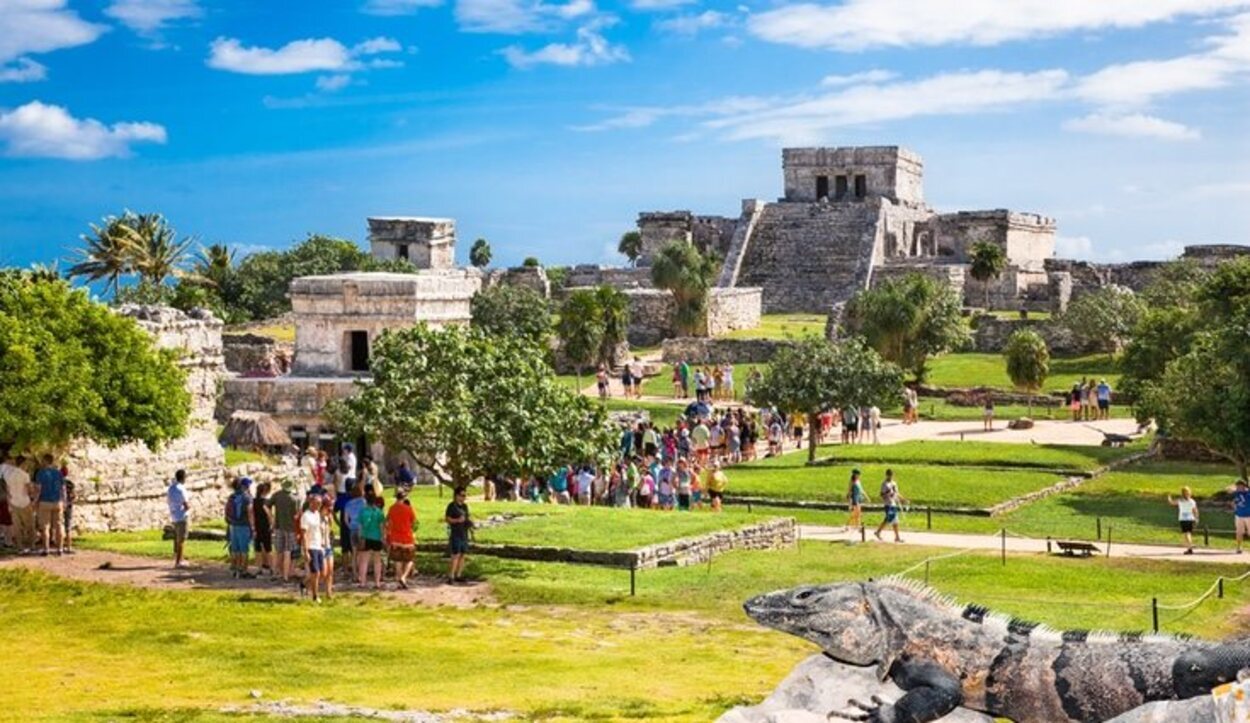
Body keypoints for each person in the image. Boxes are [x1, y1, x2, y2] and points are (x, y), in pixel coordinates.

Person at [386, 488, 417, 588]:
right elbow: (413, 521)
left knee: (398, 560)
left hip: (396, 538)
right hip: (407, 537)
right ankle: (404, 577)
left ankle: (399, 578)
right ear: (405, 497)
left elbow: (389, 521)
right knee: (410, 559)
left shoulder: (392, 508)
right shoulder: (408, 508)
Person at [34, 455, 65, 556]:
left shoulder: (41, 473)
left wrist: (35, 501)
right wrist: (64, 500)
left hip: (45, 501)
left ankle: (46, 549)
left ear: (45, 461)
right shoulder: (58, 473)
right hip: (57, 501)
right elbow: (62, 488)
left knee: (45, 526)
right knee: (59, 525)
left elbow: (38, 489)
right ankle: (60, 549)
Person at [0, 456, 32, 554]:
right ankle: (10, 542)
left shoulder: (7, 471)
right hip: (11, 499)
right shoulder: (10, 470)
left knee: (6, 521)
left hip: (7, 499)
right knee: (11, 522)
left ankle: (10, 542)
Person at [270, 480, 299, 582]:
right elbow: (296, 515)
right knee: (287, 552)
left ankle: (274, 573)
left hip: (278, 526)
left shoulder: (276, 495)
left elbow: (266, 505)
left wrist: (272, 518)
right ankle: (285, 576)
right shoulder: (294, 499)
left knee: (277, 551)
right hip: (290, 528)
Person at [225, 477, 255, 577]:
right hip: (244, 526)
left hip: (233, 525)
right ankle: (244, 571)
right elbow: (250, 512)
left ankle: (236, 569)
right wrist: (253, 527)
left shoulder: (231, 496)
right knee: (244, 550)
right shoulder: (247, 497)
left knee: (235, 549)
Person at [299, 494, 326, 603]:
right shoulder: (306, 516)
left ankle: (304, 583)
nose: (319, 506)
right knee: (316, 573)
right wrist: (305, 551)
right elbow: (304, 534)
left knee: (322, 572)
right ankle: (315, 596)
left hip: (318, 545)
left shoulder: (317, 514)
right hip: (311, 546)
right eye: (317, 503)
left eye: (320, 504)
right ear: (311, 503)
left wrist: (323, 544)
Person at [356, 496, 386, 589]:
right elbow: (381, 526)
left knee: (364, 561)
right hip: (377, 538)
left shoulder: (362, 511)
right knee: (377, 561)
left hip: (366, 537)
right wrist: (382, 537)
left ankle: (363, 582)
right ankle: (377, 582)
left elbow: (360, 527)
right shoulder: (379, 512)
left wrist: (360, 537)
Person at [445, 487, 473, 584]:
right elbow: (447, 519)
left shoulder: (465, 506)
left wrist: (469, 523)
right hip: (455, 533)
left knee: (463, 554)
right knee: (455, 555)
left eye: (464, 495)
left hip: (464, 533)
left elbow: (466, 518)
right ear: (456, 496)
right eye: (461, 495)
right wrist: (457, 520)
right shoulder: (451, 506)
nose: (463, 497)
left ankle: (459, 574)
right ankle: (451, 576)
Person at [874, 469, 907, 543]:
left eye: (891, 475)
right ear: (886, 475)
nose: (890, 476)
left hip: (893, 504)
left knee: (893, 520)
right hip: (888, 504)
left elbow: (897, 493)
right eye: (889, 475)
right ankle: (895, 537)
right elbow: (882, 495)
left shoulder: (894, 483)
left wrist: (903, 499)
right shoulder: (884, 484)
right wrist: (887, 493)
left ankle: (895, 536)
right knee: (891, 520)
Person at [167, 469, 191, 568]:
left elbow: (168, 500)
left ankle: (178, 557)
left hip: (174, 515)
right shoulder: (182, 489)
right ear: (183, 477)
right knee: (181, 539)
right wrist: (189, 507)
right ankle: (179, 561)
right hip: (182, 515)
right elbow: (186, 503)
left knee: (177, 537)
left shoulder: (171, 488)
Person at [1168, 487, 1199, 555]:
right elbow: (1195, 510)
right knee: (1188, 533)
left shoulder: (1180, 501)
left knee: (1186, 533)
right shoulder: (1192, 501)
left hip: (1183, 519)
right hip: (1191, 518)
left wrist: (1169, 497)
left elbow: (1172, 503)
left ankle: (1190, 547)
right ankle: (1189, 547)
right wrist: (1196, 518)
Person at [1231, 479, 1250, 554]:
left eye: (1239, 486)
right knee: (1239, 532)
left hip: (1248, 516)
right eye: (1237, 486)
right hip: (1239, 516)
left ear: (1243, 486)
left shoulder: (1248, 493)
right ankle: (1239, 547)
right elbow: (1233, 502)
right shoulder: (1237, 493)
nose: (1237, 488)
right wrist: (1234, 507)